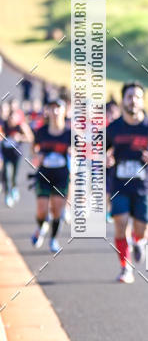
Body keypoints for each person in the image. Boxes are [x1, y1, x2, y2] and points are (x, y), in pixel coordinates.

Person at [106, 82, 148, 283]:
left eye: (137, 97)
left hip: (144, 186)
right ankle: (125, 268)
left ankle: (138, 241)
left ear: (142, 101)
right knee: (120, 223)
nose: (133, 100)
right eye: (129, 96)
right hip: (119, 184)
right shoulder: (114, 127)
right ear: (123, 100)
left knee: (141, 228)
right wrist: (106, 159)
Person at [31, 98, 70, 252]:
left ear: (64, 111)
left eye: (58, 108)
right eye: (51, 108)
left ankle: (53, 239)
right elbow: (34, 148)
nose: (54, 112)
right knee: (41, 209)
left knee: (56, 210)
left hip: (61, 175)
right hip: (44, 174)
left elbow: (81, 153)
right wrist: (37, 155)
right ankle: (41, 227)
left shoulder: (69, 133)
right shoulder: (41, 131)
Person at [1, 100, 32, 206]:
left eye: (14, 118)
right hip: (6, 154)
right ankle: (8, 194)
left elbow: (30, 138)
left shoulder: (21, 126)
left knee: (14, 175)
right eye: (10, 118)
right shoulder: (4, 125)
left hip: (17, 154)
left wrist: (20, 138)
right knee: (7, 174)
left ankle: (14, 188)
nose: (11, 120)